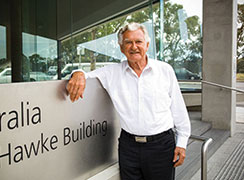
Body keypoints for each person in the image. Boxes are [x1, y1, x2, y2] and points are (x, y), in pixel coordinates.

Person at [66, 22, 191, 180]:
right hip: (128, 147)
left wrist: (182, 142)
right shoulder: (112, 72)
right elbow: (85, 75)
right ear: (121, 47)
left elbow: (178, 108)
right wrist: (77, 73)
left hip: (161, 146)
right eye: (128, 42)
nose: (134, 47)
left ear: (147, 45)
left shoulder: (164, 70)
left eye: (138, 42)